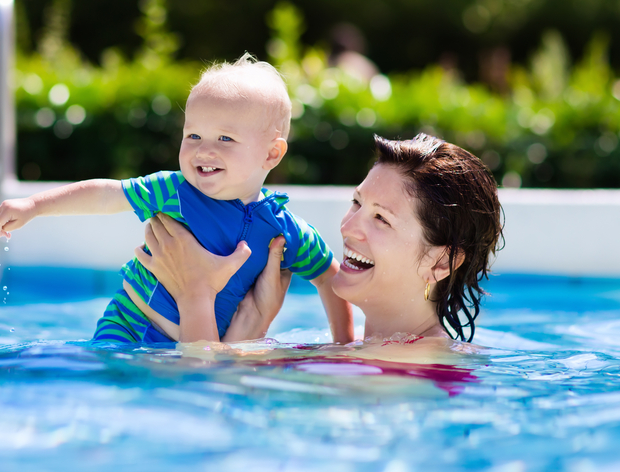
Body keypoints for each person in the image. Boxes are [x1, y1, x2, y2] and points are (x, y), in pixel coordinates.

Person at [0, 55, 354, 345]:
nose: (203, 150)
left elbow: (330, 279)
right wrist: (34, 206)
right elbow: (105, 196)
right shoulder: (174, 190)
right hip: (129, 324)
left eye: (225, 139)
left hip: (190, 346)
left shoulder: (284, 230)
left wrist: (344, 348)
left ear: (272, 155)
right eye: (193, 135)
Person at [134, 133, 503, 349]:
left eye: (381, 219)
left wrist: (195, 293)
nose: (349, 226)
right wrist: (254, 323)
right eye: (357, 203)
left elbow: (197, 402)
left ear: (442, 262)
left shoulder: (405, 372)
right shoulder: (364, 355)